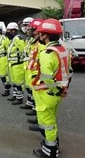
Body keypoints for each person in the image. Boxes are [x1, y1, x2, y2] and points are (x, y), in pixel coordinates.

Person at [32, 19, 71, 158]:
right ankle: (54, 145)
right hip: (57, 94)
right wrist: (63, 90)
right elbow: (68, 71)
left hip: (47, 94)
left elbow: (48, 78)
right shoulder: (63, 50)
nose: (39, 36)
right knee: (51, 121)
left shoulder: (47, 53)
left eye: (41, 34)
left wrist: (57, 90)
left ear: (46, 35)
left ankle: (50, 151)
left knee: (47, 124)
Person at [20, 19, 44, 115]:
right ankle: (30, 103)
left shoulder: (40, 43)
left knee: (36, 90)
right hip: (29, 68)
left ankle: (35, 108)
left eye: (30, 29)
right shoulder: (31, 40)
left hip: (36, 71)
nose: (28, 30)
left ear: (36, 30)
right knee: (29, 88)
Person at [6, 22, 25, 105]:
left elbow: (23, 50)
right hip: (12, 64)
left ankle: (19, 98)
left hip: (18, 64)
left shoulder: (18, 38)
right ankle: (15, 95)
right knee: (14, 81)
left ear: (14, 30)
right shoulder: (13, 39)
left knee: (18, 82)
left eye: (9, 30)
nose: (8, 32)